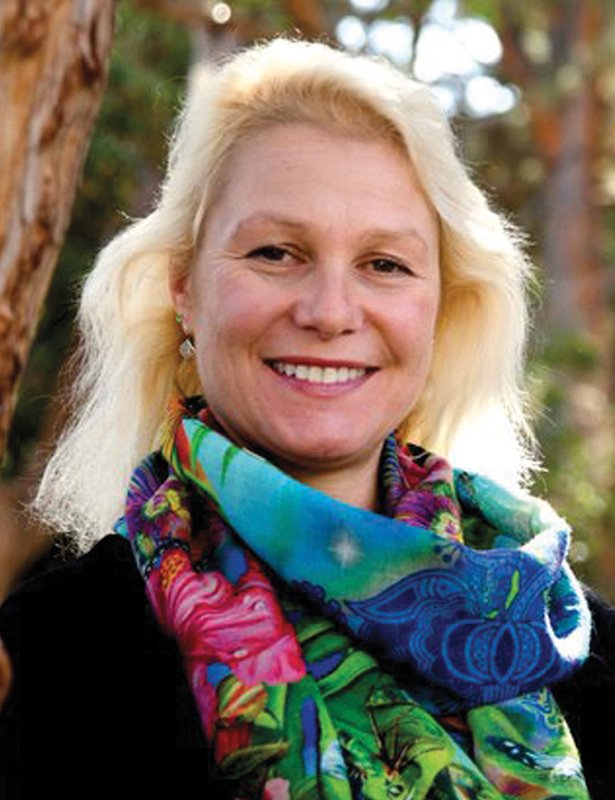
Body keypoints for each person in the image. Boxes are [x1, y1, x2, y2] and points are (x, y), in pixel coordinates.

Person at [1, 37, 614, 800]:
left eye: (383, 264)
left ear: (440, 309)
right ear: (184, 288)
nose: (329, 312)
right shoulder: (74, 641)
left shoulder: (567, 634)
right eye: (274, 253)